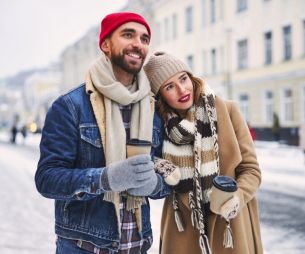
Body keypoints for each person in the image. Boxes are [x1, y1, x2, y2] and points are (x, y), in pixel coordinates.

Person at [35, 13, 169, 254]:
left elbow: (167, 171)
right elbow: (47, 179)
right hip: (84, 247)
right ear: (105, 45)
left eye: (144, 38)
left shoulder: (153, 108)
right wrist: (104, 179)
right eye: (128, 35)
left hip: (137, 245)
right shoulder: (70, 106)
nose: (138, 44)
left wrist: (156, 184)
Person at [144, 52, 263, 254]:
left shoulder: (228, 110)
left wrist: (236, 198)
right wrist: (158, 164)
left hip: (230, 226)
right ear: (160, 95)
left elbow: (251, 170)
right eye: (169, 86)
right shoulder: (157, 125)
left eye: (183, 79)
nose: (182, 89)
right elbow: (144, 161)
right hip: (182, 227)